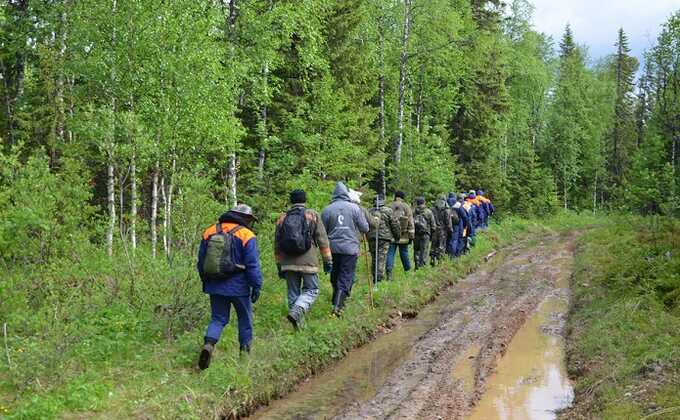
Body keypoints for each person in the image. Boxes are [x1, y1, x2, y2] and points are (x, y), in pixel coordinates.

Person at [196, 204, 263, 370]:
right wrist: (256, 285)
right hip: (239, 287)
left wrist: (206, 281)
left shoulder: (210, 230)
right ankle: (244, 357)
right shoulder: (246, 234)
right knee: (245, 320)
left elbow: (201, 261)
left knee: (218, 319)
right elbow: (252, 264)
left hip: (215, 285)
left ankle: (209, 345)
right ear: (246, 218)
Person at [275, 189, 332, 330]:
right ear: (304, 200)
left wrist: (279, 265)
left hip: (287, 262)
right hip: (308, 260)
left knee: (293, 293)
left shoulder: (282, 218)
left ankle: (298, 328)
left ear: (291, 201)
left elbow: (276, 244)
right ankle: (297, 311)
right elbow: (322, 240)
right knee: (312, 290)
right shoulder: (312, 215)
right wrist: (328, 260)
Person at [321, 182, 370, 315]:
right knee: (345, 275)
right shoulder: (355, 208)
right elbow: (365, 228)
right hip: (350, 248)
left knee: (335, 275)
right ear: (346, 194)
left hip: (332, 249)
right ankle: (338, 306)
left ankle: (336, 301)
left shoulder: (327, 210)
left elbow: (322, 232)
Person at [367, 194, 400, 285]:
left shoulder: (369, 211)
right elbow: (395, 225)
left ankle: (375, 278)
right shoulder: (388, 211)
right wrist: (397, 236)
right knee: (381, 259)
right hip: (384, 238)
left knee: (374, 258)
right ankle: (379, 280)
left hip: (372, 237)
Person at [386, 191, 414, 279]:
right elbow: (410, 222)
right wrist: (411, 236)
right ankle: (408, 272)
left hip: (392, 235)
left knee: (390, 253)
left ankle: (389, 273)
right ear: (403, 197)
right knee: (404, 253)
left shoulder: (389, 206)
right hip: (404, 235)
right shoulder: (406, 207)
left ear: (395, 196)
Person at [413, 196, 437, 269]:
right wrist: (431, 234)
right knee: (424, 251)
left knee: (416, 250)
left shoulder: (414, 212)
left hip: (416, 234)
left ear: (417, 203)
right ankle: (422, 267)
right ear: (424, 202)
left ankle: (417, 265)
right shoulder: (428, 212)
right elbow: (433, 226)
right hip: (425, 234)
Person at [431, 194, 452, 265]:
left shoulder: (432, 209)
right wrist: (450, 231)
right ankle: (440, 262)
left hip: (434, 230)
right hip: (443, 231)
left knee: (433, 246)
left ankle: (432, 259)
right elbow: (448, 223)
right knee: (441, 246)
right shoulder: (447, 210)